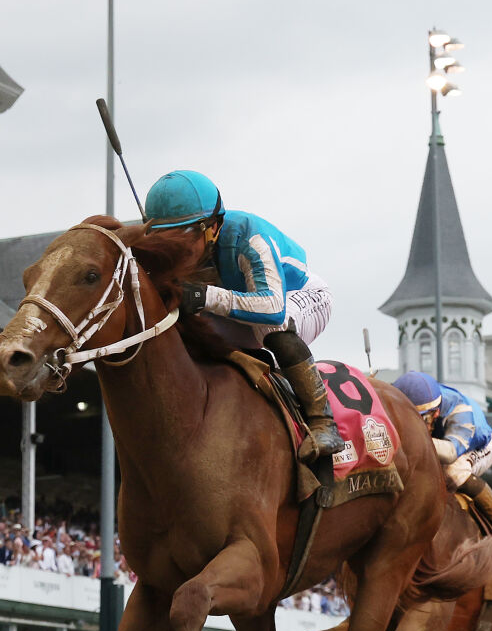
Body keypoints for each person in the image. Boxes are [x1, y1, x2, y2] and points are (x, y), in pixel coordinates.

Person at [144, 169, 344, 460]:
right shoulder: (190, 243)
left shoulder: (249, 238)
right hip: (244, 310)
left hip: (300, 298)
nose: (176, 249)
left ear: (213, 227)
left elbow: (273, 309)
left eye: (184, 236)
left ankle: (323, 422)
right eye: (164, 238)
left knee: (273, 331)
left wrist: (203, 296)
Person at [391, 370, 492, 554]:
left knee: (452, 472)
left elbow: (451, 453)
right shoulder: (404, 402)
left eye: (422, 419)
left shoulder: (459, 408)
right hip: (440, 443)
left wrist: (410, 437)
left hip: (475, 447)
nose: (415, 425)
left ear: (436, 412)